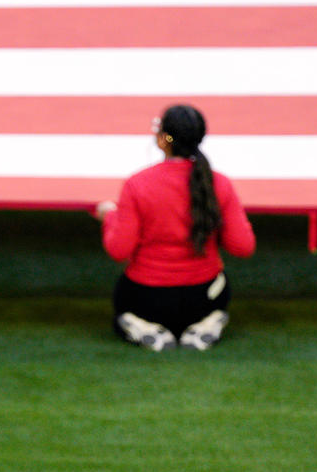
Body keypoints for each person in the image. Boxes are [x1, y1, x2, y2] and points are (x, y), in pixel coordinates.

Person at [95, 105, 255, 351]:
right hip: (204, 298)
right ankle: (204, 324)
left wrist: (110, 216)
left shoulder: (137, 185)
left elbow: (118, 249)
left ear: (162, 140)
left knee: (123, 301)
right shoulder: (219, 184)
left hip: (146, 300)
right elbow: (242, 246)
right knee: (216, 287)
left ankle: (142, 325)